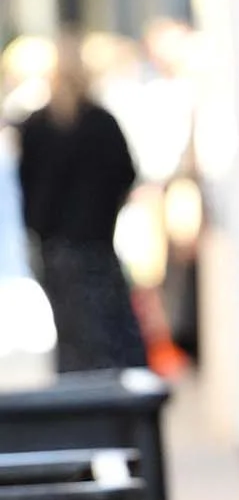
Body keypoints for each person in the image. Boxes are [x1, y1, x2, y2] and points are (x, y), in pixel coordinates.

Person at [16, 31, 148, 373]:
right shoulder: (98, 123)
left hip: (58, 247)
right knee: (105, 338)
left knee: (75, 338)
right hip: (92, 244)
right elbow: (125, 175)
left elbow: (28, 187)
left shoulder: (39, 126)